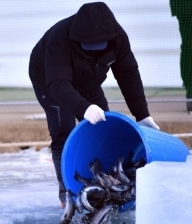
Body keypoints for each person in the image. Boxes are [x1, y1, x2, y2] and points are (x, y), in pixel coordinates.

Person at [28, 2, 159, 207]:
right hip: (50, 81)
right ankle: (67, 191)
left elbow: (128, 74)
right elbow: (58, 83)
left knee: (103, 127)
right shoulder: (59, 38)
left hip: (88, 78)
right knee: (63, 130)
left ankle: (109, 182)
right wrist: (83, 107)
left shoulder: (118, 38)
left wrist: (142, 114)